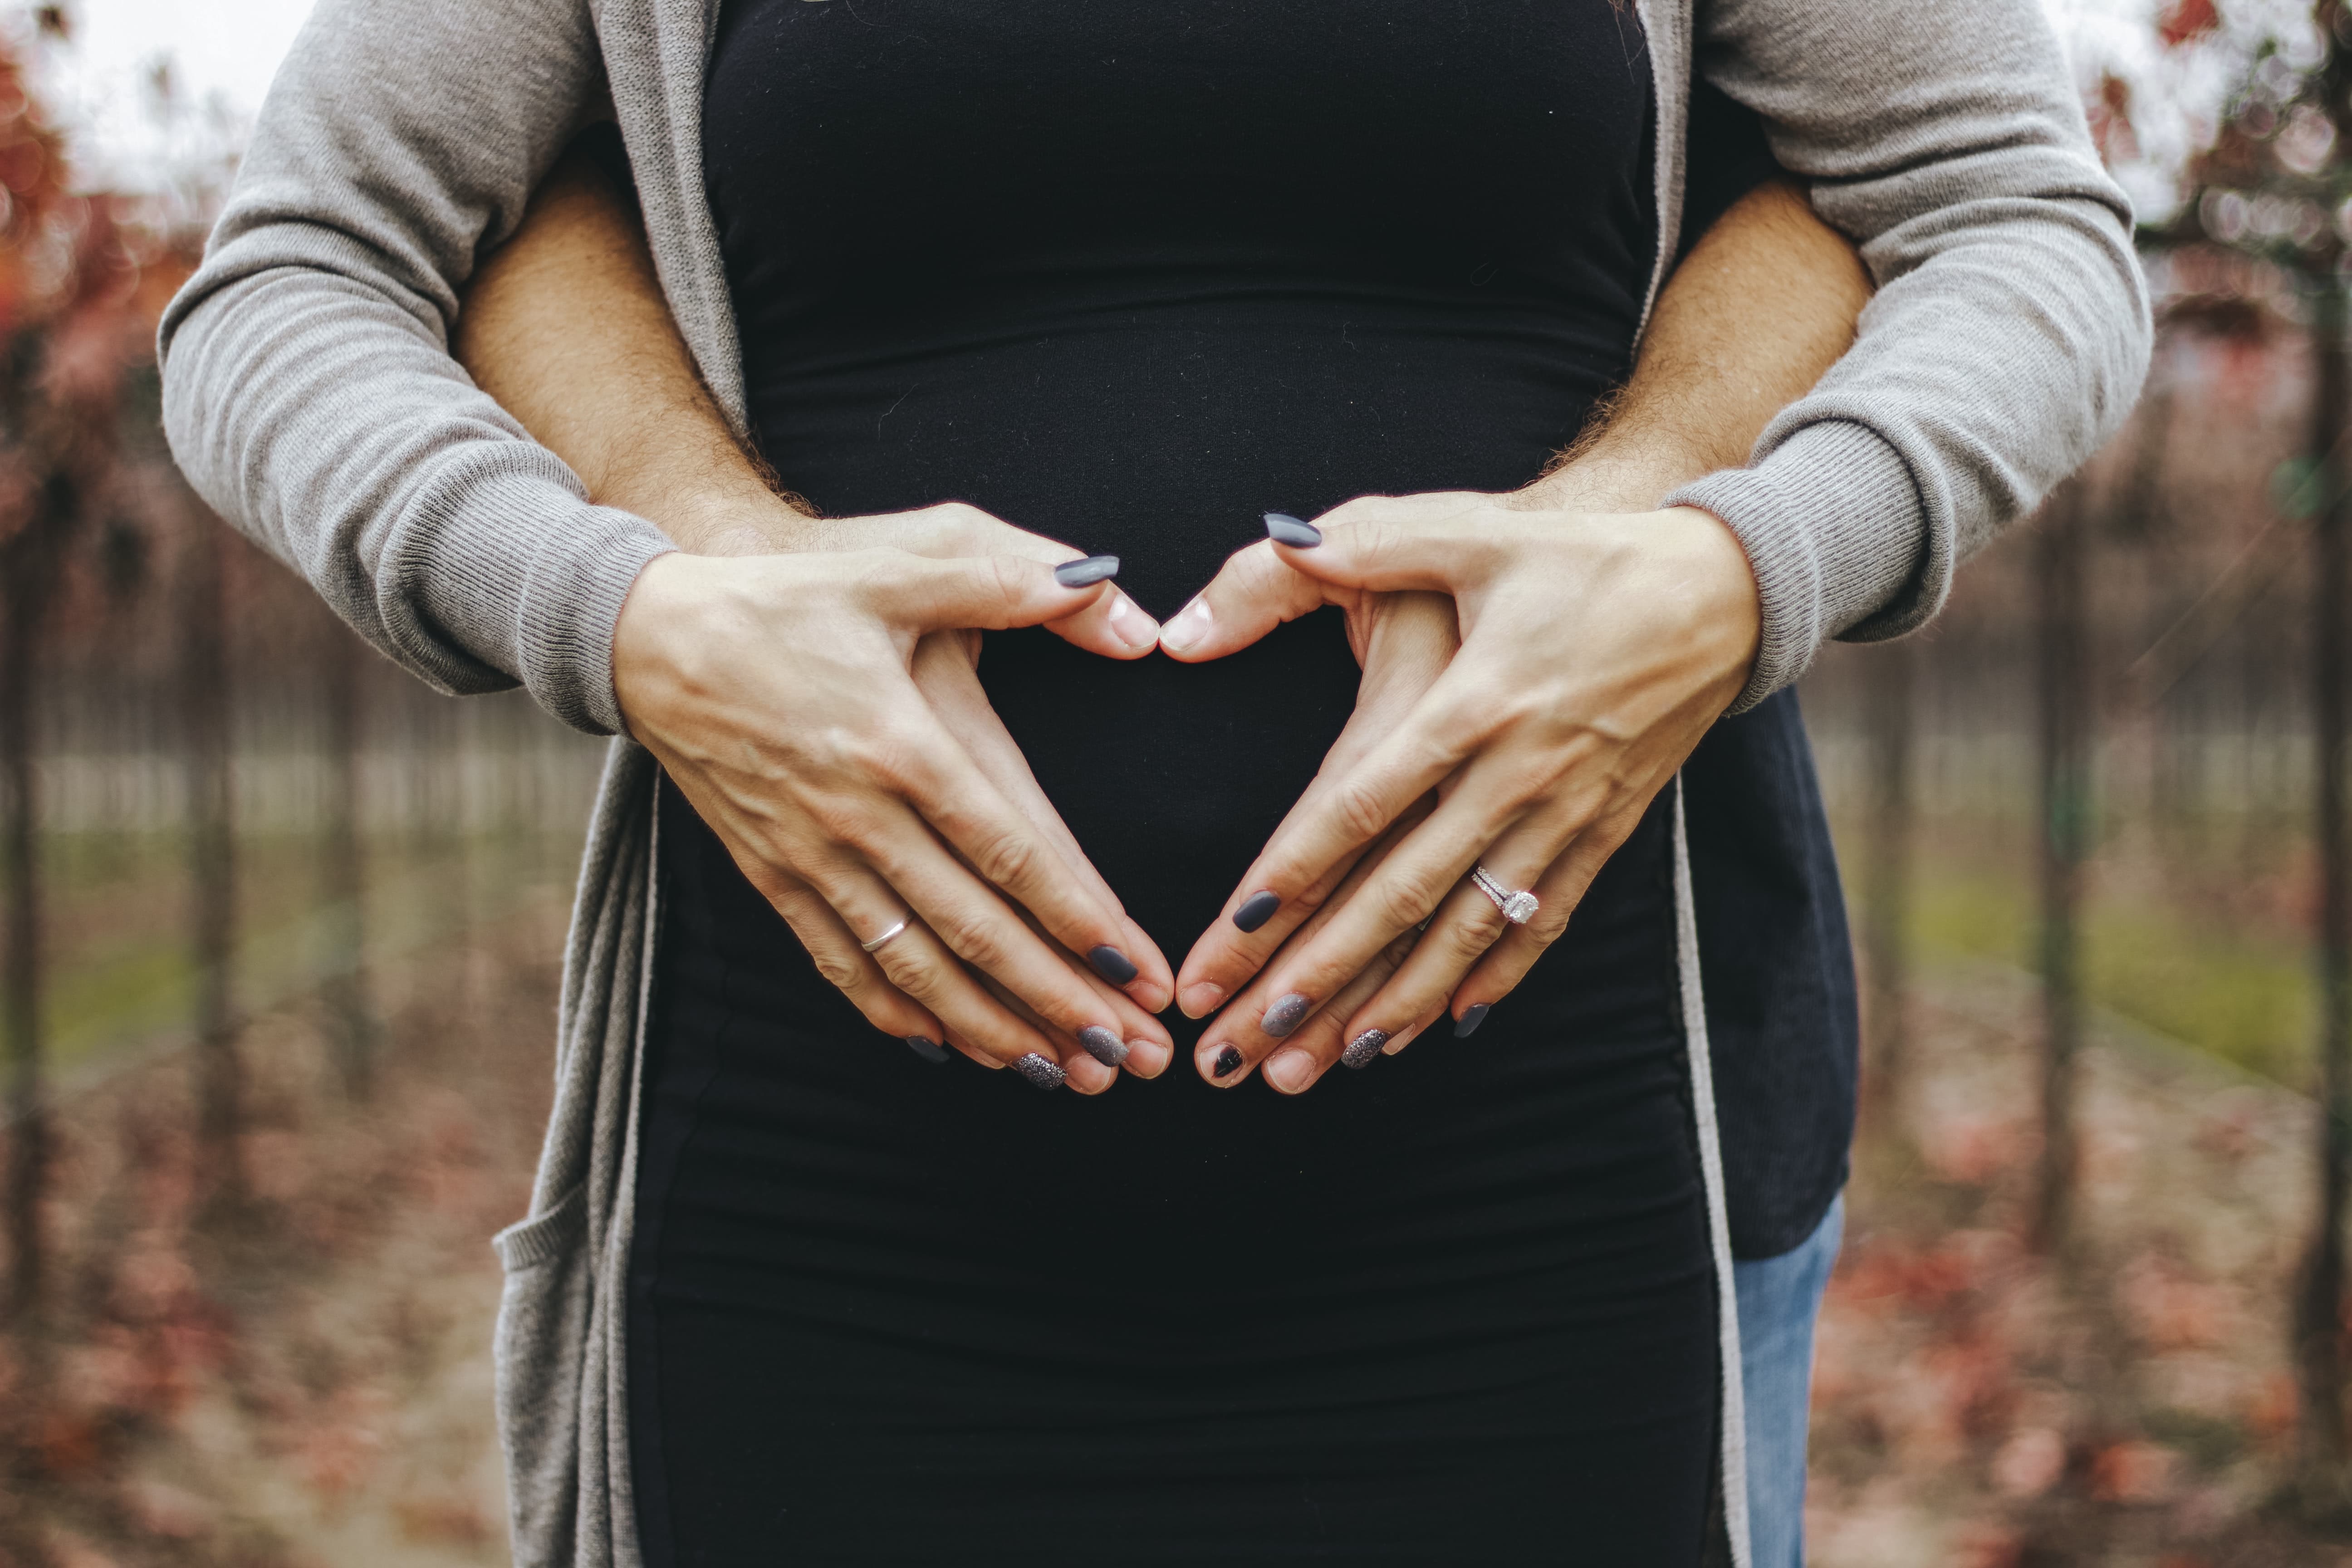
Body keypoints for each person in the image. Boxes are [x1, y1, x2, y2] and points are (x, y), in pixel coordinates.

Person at [159, 1, 2149, 1563]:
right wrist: (635, 608)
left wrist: (1729, 560)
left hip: (1567, 1189)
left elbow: (2003, 209)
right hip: (823, 1207)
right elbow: (298, 278)